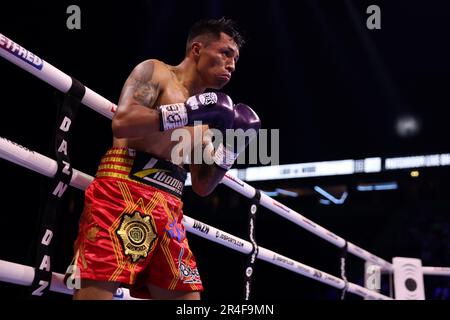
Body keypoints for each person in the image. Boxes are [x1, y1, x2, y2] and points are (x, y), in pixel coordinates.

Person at [69, 17, 260, 300]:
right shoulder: (155, 73)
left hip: (170, 208)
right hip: (122, 190)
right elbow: (123, 122)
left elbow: (203, 185)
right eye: (225, 53)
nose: (231, 64)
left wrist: (233, 146)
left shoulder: (210, 119)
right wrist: (185, 112)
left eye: (235, 58)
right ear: (197, 50)